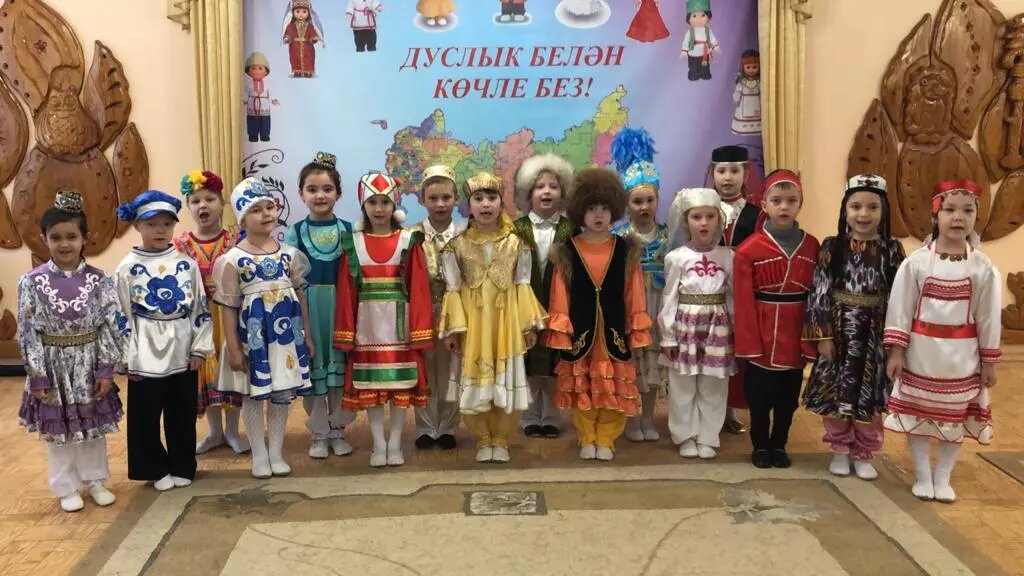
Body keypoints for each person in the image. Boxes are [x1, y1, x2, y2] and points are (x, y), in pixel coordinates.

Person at [884, 180, 1000, 503]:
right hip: (921, 354)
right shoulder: (917, 263)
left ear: (976, 216)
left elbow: (989, 317)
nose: (958, 217)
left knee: (954, 418)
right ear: (935, 216)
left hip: (962, 359)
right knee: (918, 417)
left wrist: (989, 362)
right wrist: (896, 352)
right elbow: (900, 308)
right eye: (949, 210)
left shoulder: (982, 269)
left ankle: (943, 476)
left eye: (967, 210)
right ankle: (923, 474)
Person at [18, 191, 124, 511]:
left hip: (89, 365)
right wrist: (38, 375)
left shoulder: (100, 280)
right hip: (52, 367)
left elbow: (110, 325)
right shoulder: (31, 282)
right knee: (58, 431)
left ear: (84, 238)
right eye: (56, 238)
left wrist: (105, 368)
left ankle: (96, 480)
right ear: (44, 239)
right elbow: (28, 332)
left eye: (71, 237)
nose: (64, 244)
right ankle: (66, 486)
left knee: (92, 426)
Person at [439, 172, 547, 463]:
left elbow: (522, 285)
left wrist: (528, 326)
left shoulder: (517, 244)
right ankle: (482, 437)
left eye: (491, 197)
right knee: (475, 378)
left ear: (501, 202)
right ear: (469, 206)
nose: (485, 204)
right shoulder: (456, 246)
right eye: (478, 198)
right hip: (474, 325)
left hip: (505, 323)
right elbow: (453, 289)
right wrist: (453, 330)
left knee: (505, 377)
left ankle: (501, 437)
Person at [546, 168, 653, 461]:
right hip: (581, 335)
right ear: (580, 211)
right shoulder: (567, 251)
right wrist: (561, 328)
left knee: (612, 385)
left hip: (613, 334)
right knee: (583, 384)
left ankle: (606, 437)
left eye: (604, 208)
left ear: (614, 211)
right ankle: (587, 436)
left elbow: (634, 291)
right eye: (591, 208)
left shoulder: (626, 250)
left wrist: (635, 326)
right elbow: (559, 294)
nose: (598, 215)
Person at [803, 175, 905, 480]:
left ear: (884, 211)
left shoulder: (892, 250)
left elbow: (900, 297)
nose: (864, 214)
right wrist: (822, 336)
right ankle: (839, 449)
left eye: (872, 207)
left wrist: (895, 344)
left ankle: (864, 452)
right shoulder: (832, 246)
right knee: (837, 391)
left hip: (875, 334)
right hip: (839, 332)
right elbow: (819, 291)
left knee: (869, 396)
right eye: (856, 206)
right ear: (844, 210)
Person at [114, 190, 213, 491]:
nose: (160, 230)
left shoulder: (186, 264)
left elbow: (200, 307)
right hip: (145, 348)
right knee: (145, 415)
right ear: (137, 225)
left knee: (182, 411)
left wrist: (199, 348)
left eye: (166, 224)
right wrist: (127, 357)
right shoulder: (126, 268)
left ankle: (183, 464)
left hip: (182, 345)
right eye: (151, 224)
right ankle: (154, 467)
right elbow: (120, 315)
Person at [215, 178, 313, 478]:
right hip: (253, 339)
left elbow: (300, 297)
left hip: (286, 338)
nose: (266, 214)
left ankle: (276, 452)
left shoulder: (289, 255)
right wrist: (234, 348)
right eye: (256, 210)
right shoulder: (233, 260)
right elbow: (228, 306)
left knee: (282, 394)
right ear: (242, 219)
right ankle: (259, 455)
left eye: (269, 206)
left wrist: (307, 336)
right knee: (253, 396)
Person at [334, 172, 433, 467]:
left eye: (385, 202)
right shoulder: (353, 243)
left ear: (394, 206)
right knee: (371, 387)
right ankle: (378, 442)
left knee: (401, 385)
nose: (379, 209)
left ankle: (395, 441)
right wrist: (346, 331)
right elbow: (346, 291)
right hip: (367, 328)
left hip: (399, 327)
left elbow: (418, 287)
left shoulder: (408, 241)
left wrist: (419, 329)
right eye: (372, 202)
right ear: (363, 206)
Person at [733, 169, 819, 469]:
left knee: (788, 398)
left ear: (800, 204)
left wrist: (814, 338)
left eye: (791, 201)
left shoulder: (813, 246)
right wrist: (748, 343)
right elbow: (743, 301)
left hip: (796, 333)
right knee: (759, 397)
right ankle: (760, 444)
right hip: (763, 332)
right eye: (777, 200)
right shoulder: (748, 250)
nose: (784, 207)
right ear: (764, 204)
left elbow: (818, 298)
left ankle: (779, 443)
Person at [284, 152, 356, 460]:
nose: (320, 195)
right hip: (309, 309)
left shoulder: (349, 230)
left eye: (327, 189)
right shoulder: (295, 232)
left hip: (340, 309)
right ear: (301, 194)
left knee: (338, 374)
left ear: (338, 193)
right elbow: (289, 278)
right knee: (315, 375)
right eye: (312, 189)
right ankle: (318, 433)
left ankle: (338, 430)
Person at [174, 170, 249, 455]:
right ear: (188, 207)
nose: (202, 205)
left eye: (210, 199)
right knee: (205, 373)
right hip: (198, 321)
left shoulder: (236, 241)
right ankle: (214, 432)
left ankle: (232, 431)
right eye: (195, 201)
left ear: (222, 203)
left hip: (230, 317)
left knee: (232, 369)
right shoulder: (179, 246)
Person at [660, 188, 735, 459]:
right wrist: (668, 336)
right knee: (683, 385)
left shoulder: (729, 256)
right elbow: (669, 297)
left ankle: (708, 436)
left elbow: (732, 296)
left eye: (710, 217)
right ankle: (685, 435)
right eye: (696, 217)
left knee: (714, 384)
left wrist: (736, 330)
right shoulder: (676, 257)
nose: (703, 223)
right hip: (685, 328)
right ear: (686, 221)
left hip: (718, 328)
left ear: (719, 220)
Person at [513, 154, 575, 440]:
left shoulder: (571, 230)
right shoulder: (516, 229)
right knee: (527, 364)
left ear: (563, 193)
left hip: (559, 306)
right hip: (524, 306)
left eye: (553, 186)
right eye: (540, 186)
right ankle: (529, 417)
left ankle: (550, 416)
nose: (546, 191)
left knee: (554, 364)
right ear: (528, 193)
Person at [612, 128, 668, 443]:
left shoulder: (668, 235)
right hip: (630, 307)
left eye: (649, 200)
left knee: (653, 367)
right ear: (626, 203)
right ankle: (631, 420)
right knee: (632, 366)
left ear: (657, 199)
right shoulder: (619, 236)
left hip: (657, 306)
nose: (644, 207)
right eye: (637, 201)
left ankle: (648, 418)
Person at [708, 144, 764, 435]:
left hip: (741, 293)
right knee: (712, 348)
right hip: (707, 291)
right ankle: (711, 408)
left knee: (735, 350)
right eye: (721, 171)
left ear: (745, 174)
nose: (727, 177)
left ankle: (730, 409)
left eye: (734, 171)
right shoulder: (702, 211)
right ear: (713, 173)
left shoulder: (757, 214)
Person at [409, 165, 465, 450]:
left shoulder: (467, 234)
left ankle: (448, 426)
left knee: (453, 370)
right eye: (433, 198)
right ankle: (426, 426)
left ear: (456, 199)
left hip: (456, 313)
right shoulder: (412, 236)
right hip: (423, 312)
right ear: (422, 200)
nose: (440, 204)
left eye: (446, 197)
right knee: (425, 368)